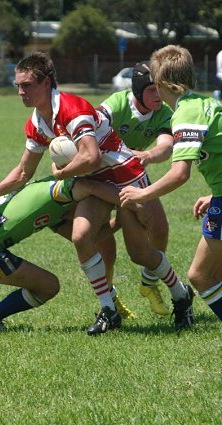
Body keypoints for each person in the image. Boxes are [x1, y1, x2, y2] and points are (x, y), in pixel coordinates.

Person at [0, 52, 190, 334]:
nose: (21, 92)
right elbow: (23, 172)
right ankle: (108, 310)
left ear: (46, 83)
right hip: (93, 182)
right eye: (18, 85)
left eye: (27, 85)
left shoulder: (72, 108)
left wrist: (61, 174)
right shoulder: (36, 122)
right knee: (81, 237)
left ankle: (181, 295)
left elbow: (91, 157)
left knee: (141, 254)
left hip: (125, 178)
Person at [0, 176, 133, 331]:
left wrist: (121, 221)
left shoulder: (53, 203)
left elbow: (91, 236)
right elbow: (90, 186)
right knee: (48, 286)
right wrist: (135, 202)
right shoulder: (62, 189)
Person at [120, 44, 222, 322]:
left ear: (163, 83)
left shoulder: (186, 114)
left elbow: (180, 174)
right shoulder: (204, 103)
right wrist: (214, 196)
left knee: (200, 276)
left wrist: (141, 195)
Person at [97, 61, 173, 316]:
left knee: (159, 228)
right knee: (104, 243)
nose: (158, 95)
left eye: (161, 89)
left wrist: (148, 155)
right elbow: (90, 127)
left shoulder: (163, 111)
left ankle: (149, 284)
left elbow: (166, 145)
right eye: (152, 89)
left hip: (133, 173)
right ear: (138, 91)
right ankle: (109, 300)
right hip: (100, 175)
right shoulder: (116, 104)